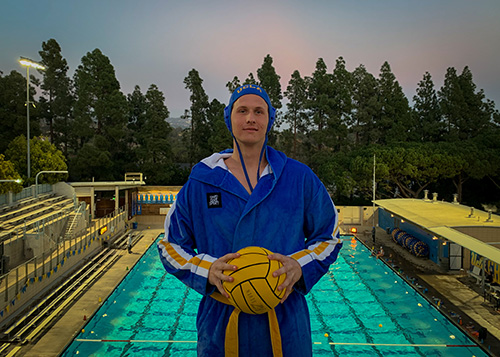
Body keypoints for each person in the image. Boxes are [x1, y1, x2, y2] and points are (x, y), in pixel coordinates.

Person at [158, 84, 342, 356]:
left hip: (285, 324)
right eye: (242, 110)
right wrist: (206, 269)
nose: (250, 119)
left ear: (270, 119)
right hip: (220, 326)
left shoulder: (299, 178)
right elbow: (170, 245)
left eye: (259, 111)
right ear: (228, 118)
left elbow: (330, 236)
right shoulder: (201, 182)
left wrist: (299, 266)